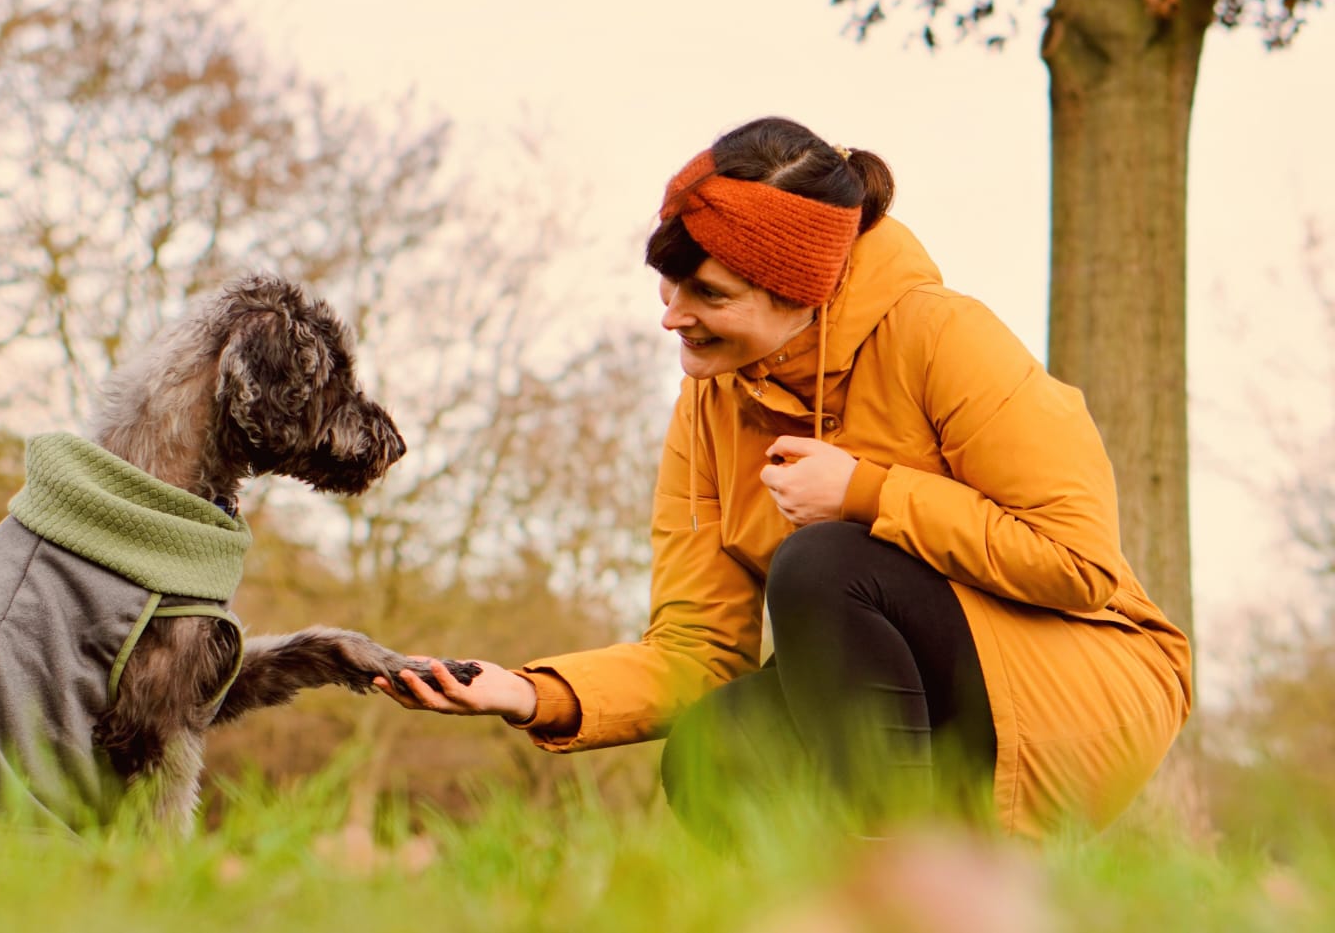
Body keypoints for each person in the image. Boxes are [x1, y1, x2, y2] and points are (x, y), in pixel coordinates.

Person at [374, 115, 1192, 841]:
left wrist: (868, 492)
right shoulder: (709, 406)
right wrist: (532, 691)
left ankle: (914, 889)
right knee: (715, 746)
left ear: (803, 293)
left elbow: (1080, 565)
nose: (671, 314)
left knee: (825, 563)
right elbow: (697, 649)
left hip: (1084, 678)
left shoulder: (945, 337)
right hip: (900, 698)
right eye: (668, 283)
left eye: (708, 292)